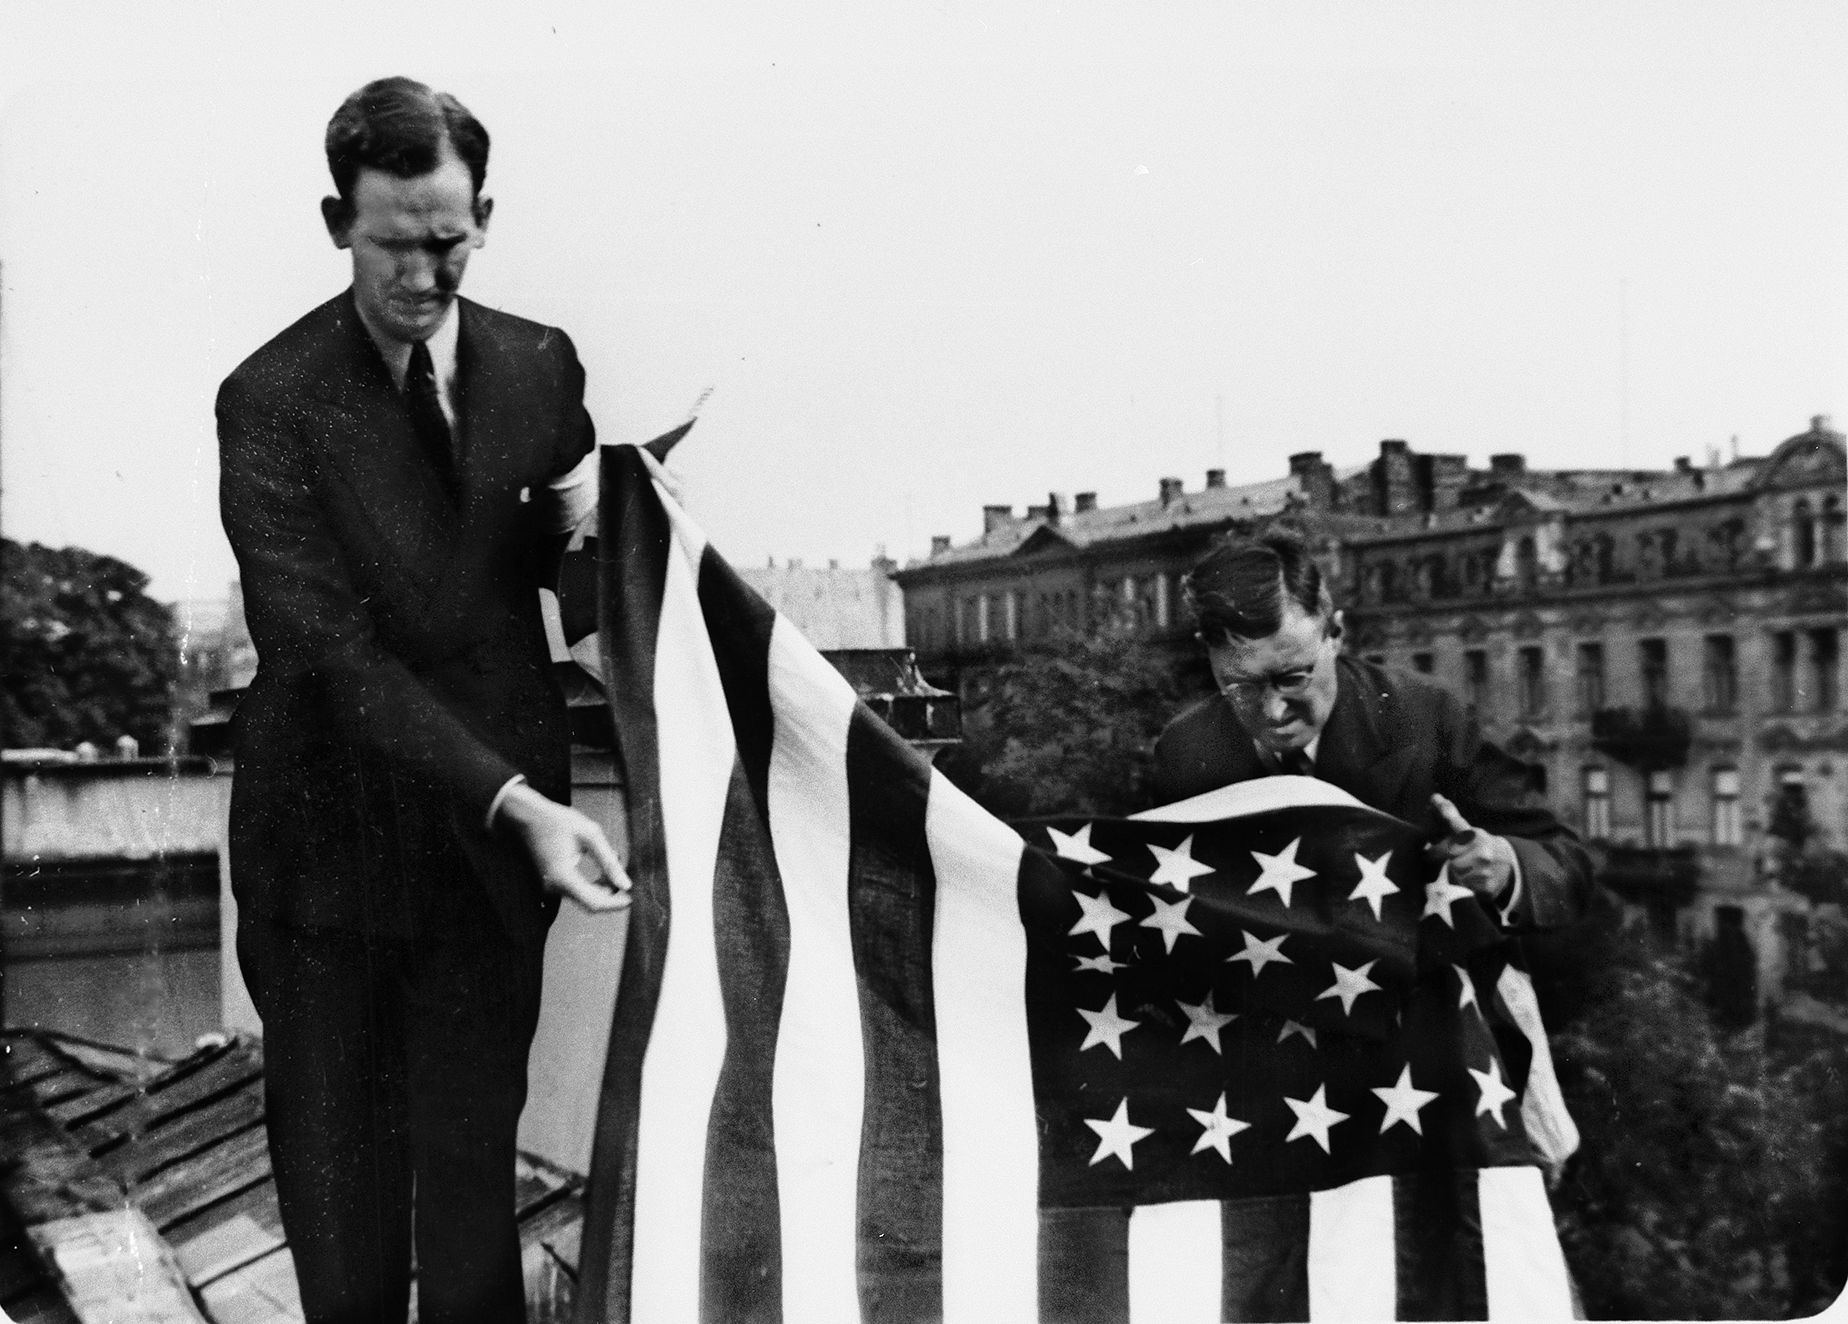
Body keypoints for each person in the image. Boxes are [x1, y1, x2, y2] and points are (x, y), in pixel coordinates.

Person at [217, 77, 629, 1323]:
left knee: (469, 1207)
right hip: (327, 864)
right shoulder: (271, 399)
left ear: (485, 216)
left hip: (481, 877)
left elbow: (579, 554)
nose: (426, 275)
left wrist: (613, 595)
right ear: (338, 220)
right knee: (345, 1233)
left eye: (450, 242)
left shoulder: (539, 363)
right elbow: (330, 662)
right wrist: (519, 803)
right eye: (396, 245)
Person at [1151, 526, 1595, 1321]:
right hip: (1281, 1081)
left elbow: (1565, 860)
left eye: (1292, 676)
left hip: (1440, 1067)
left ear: (1336, 630)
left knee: (1466, 1272)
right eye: (1239, 686)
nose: (1273, 710)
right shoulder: (1186, 755)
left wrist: (1501, 862)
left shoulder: (1426, 718)